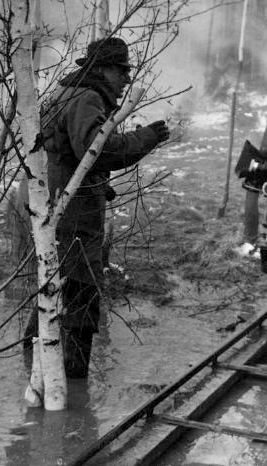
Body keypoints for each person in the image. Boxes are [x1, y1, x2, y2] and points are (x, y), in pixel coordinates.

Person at [36, 36, 169, 378]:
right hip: (74, 213)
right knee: (80, 288)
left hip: (57, 202)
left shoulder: (71, 91)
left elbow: (72, 155)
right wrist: (147, 137)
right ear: (103, 70)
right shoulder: (88, 97)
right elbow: (101, 150)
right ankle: (73, 376)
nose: (126, 79)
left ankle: (38, 368)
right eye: (121, 71)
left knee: (52, 286)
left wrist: (97, 184)